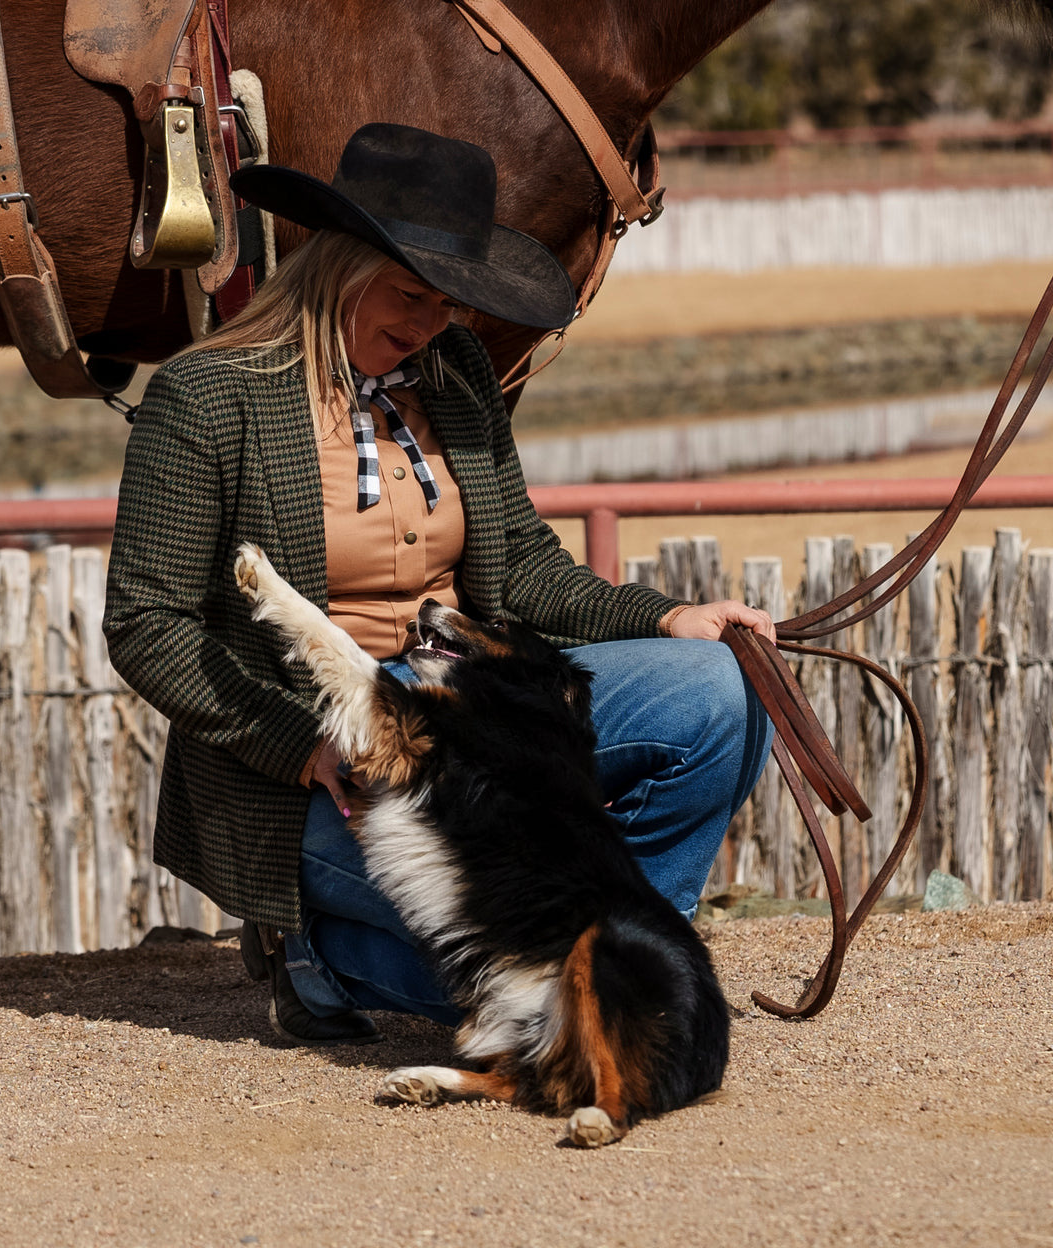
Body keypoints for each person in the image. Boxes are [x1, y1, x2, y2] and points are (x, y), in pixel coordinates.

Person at [104, 123, 775, 1046]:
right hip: (323, 757)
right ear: (337, 266)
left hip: (475, 719)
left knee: (716, 698)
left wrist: (666, 616)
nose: (428, 324)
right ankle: (320, 954)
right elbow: (148, 624)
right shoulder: (206, 398)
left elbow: (523, 564)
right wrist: (300, 743)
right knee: (456, 981)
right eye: (408, 293)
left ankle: (616, 971)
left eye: (448, 302)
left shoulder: (454, 374)